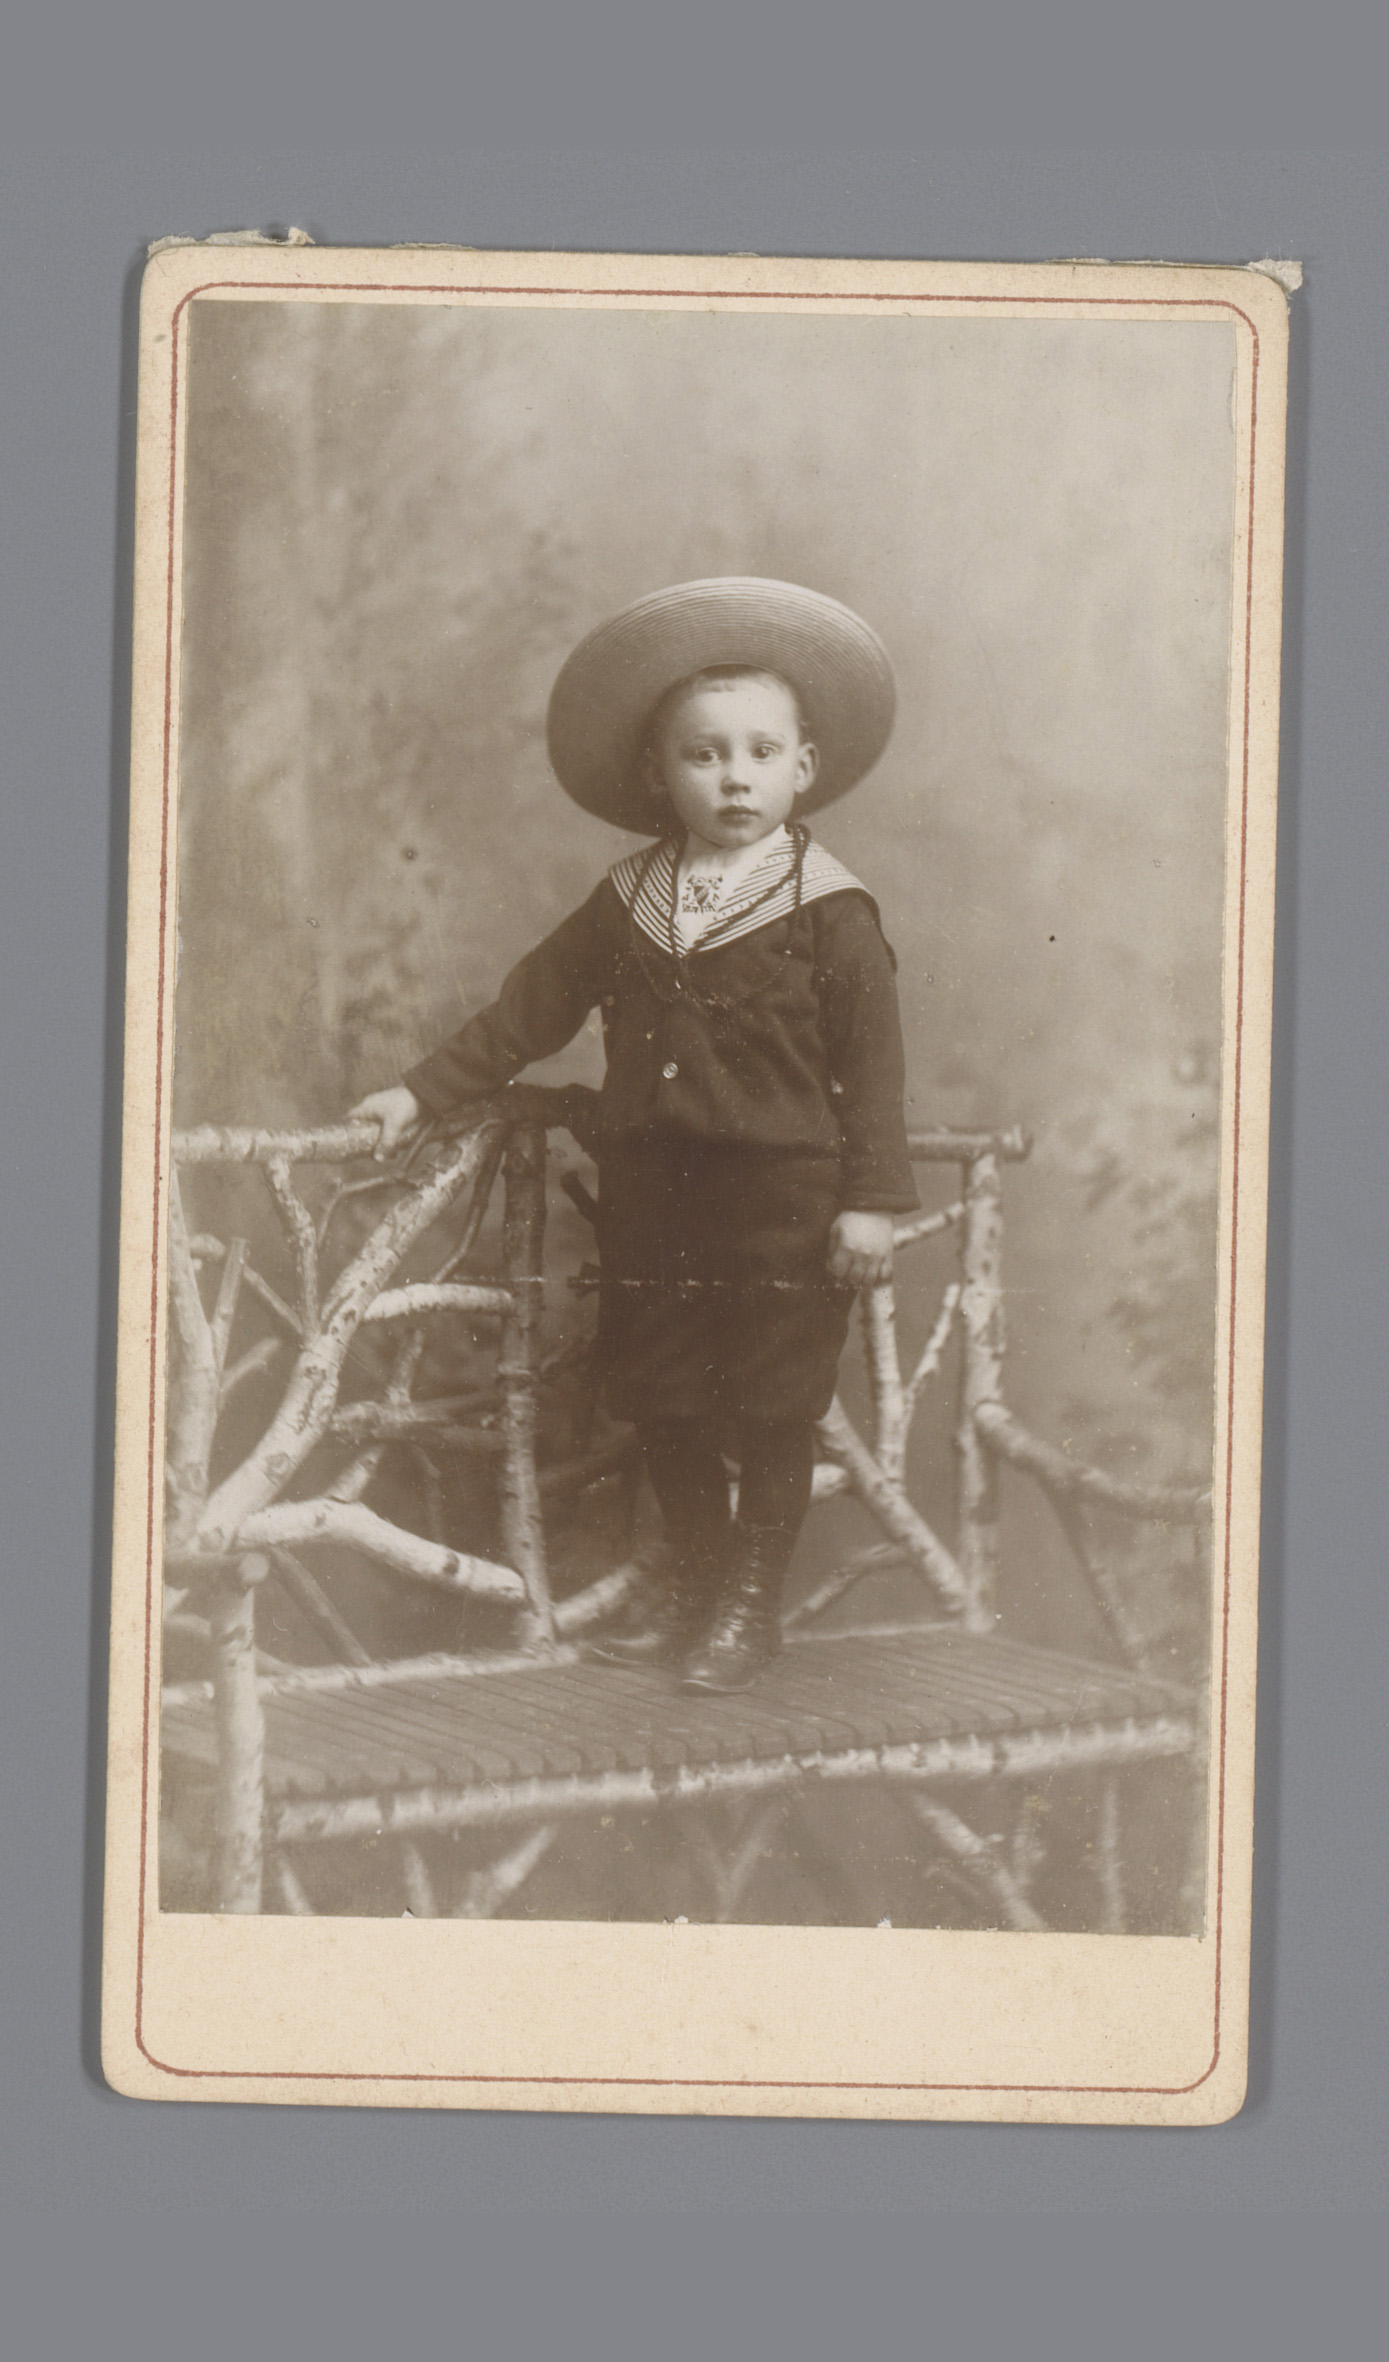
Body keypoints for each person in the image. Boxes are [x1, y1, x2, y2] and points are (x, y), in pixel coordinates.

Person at [351, 578, 919, 1691]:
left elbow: (873, 1067)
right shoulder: (628, 899)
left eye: (760, 753)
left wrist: (870, 1202)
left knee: (770, 1410)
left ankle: (747, 1612)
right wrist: (418, 1094)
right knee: (665, 1401)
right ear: (660, 774)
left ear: (804, 768)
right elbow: (530, 1009)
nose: (734, 777)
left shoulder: (831, 909)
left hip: (784, 1206)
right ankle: (695, 1591)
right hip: (655, 1201)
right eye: (703, 755)